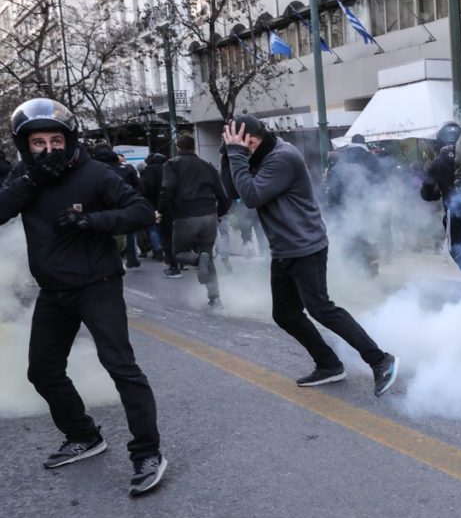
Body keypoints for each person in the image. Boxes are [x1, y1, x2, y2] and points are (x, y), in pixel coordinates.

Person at [0, 98, 167, 496]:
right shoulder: (25, 176)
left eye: (55, 141)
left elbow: (142, 211)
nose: (48, 149)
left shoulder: (94, 174)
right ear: (26, 146)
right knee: (43, 371)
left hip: (97, 285)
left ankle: (148, 453)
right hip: (53, 290)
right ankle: (83, 435)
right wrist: (31, 181)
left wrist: (91, 221)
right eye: (38, 143)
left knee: (121, 367)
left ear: (69, 139)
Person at [220, 115, 398, 395]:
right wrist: (227, 154)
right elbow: (233, 191)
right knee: (285, 314)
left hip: (306, 246)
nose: (244, 150)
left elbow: (251, 197)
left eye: (245, 145)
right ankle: (329, 364)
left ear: (254, 139)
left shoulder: (282, 157)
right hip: (284, 248)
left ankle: (380, 360)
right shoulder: (256, 156)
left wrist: (235, 154)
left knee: (321, 308)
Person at [158, 134, 231, 308]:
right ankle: (215, 299)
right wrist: (219, 213)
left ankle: (198, 260)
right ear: (195, 147)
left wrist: (160, 210)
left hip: (185, 215)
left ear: (178, 147)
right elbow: (223, 195)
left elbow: (168, 188)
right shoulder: (207, 166)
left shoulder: (171, 165)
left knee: (180, 253)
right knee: (207, 255)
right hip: (209, 215)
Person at [323, 134, 385, 277]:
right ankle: (369, 266)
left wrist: (331, 208)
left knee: (348, 238)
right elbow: (381, 183)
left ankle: (352, 269)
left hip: (342, 209)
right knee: (367, 237)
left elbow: (332, 188)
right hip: (366, 208)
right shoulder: (372, 159)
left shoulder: (342, 159)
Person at [420, 122, 461, 281]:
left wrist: (437, 194)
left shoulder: (436, 163)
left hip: (454, 210)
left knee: (456, 249)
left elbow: (426, 192)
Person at [139, 152, 167, 261]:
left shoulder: (149, 170)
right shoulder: (168, 168)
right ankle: (167, 248)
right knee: (165, 227)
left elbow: (147, 186)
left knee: (153, 227)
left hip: (152, 203)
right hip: (166, 202)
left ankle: (158, 250)